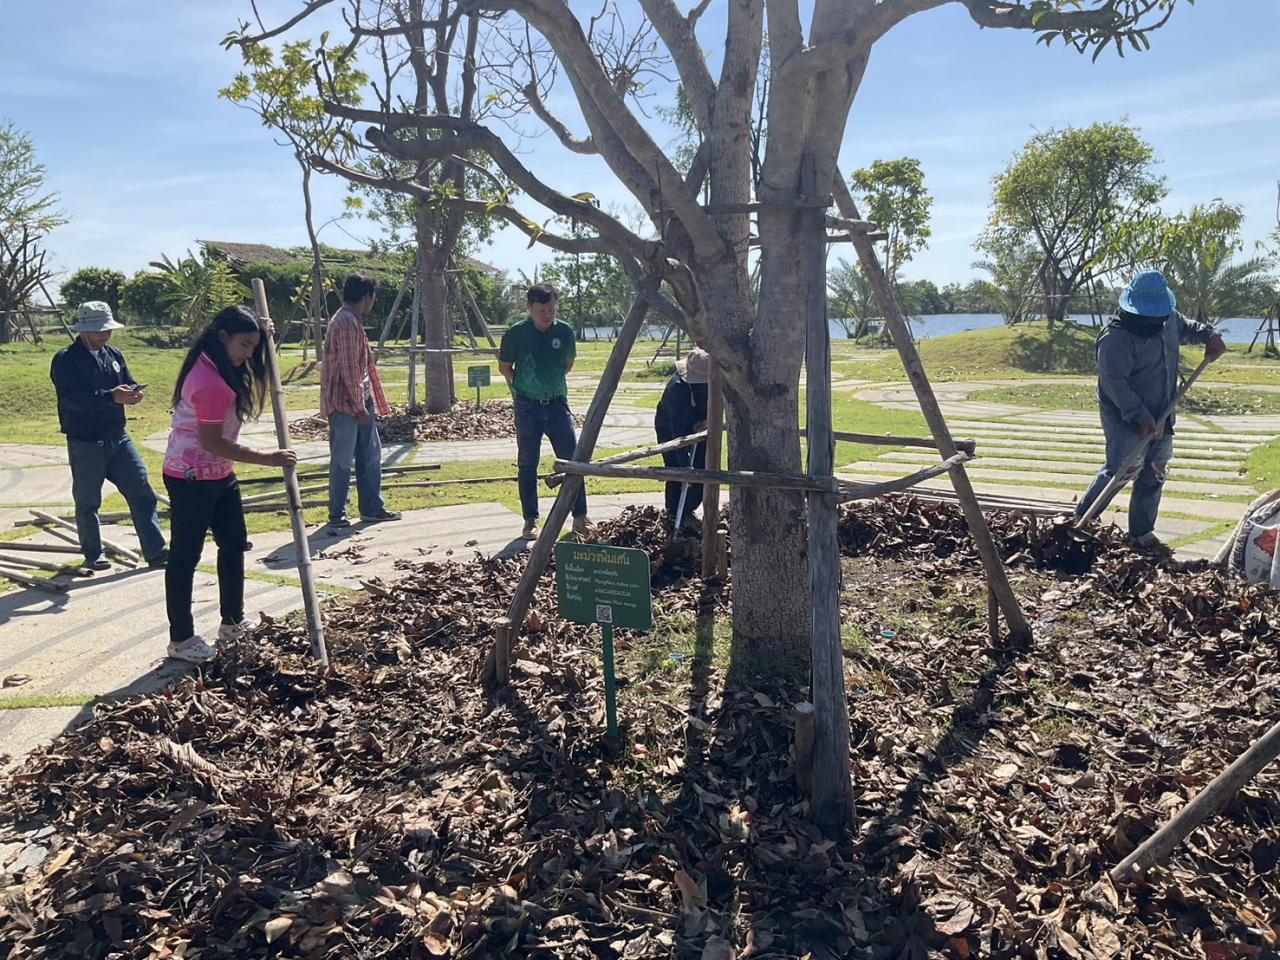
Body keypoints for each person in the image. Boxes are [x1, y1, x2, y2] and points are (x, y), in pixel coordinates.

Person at [160, 305, 297, 663]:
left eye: (254, 346)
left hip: (219, 474)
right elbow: (212, 443)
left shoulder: (216, 360)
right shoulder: (209, 383)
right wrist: (269, 459)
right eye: (245, 345)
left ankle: (232, 622)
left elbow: (218, 450)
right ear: (223, 338)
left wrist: (264, 332)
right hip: (190, 476)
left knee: (234, 544)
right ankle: (182, 639)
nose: (249, 354)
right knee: (184, 556)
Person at [1074, 269, 1226, 548]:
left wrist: (1210, 335)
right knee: (1123, 469)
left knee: (1155, 470)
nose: (1155, 321)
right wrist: (1140, 416)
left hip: (1163, 411)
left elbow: (1190, 328)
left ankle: (1141, 534)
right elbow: (1115, 385)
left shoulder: (1168, 320)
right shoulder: (1115, 339)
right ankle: (1080, 524)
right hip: (1124, 416)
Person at [49, 301, 168, 571]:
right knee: (88, 500)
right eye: (98, 330)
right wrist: (110, 397)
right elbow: (70, 399)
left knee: (142, 492)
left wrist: (133, 395)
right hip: (86, 442)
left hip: (119, 437)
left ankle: (157, 552)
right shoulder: (66, 359)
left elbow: (126, 382)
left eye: (107, 330)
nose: (104, 335)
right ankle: (94, 554)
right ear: (82, 330)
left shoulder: (113, 355)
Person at [499, 283, 589, 539]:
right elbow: (505, 367)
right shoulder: (516, 334)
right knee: (528, 463)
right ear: (529, 309)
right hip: (527, 406)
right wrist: (522, 389)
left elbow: (567, 365)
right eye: (541, 310)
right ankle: (530, 520)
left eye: (550, 309)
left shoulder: (564, 331)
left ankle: (580, 516)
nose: (547, 315)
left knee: (573, 461)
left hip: (557, 405)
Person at [321, 273, 400, 532]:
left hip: (360, 399)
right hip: (347, 405)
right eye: (373, 297)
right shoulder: (346, 323)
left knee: (370, 455)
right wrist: (359, 407)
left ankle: (371, 508)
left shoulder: (351, 320)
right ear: (366, 297)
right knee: (343, 459)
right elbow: (348, 371)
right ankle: (337, 514)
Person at [654, 348, 710, 535]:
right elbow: (677, 433)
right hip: (670, 428)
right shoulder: (676, 389)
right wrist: (685, 466)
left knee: (701, 469)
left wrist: (707, 420)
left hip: (699, 427)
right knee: (677, 471)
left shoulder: (712, 382)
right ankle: (673, 513)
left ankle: (688, 511)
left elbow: (718, 404)